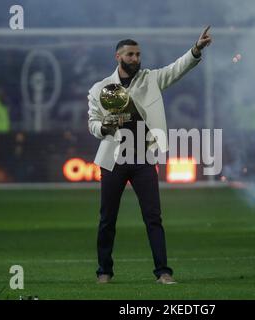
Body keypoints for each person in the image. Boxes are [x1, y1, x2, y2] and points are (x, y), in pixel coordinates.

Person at [87, 26, 212, 284]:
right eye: (130, 54)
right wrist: (104, 127)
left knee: (153, 218)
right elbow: (92, 123)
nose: (136, 58)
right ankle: (104, 272)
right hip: (114, 158)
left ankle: (163, 273)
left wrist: (195, 49)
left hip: (143, 157)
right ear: (118, 57)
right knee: (107, 219)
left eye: (138, 54)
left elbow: (177, 69)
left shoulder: (150, 79)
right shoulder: (101, 88)